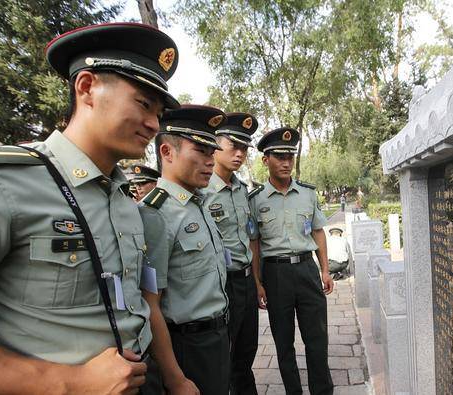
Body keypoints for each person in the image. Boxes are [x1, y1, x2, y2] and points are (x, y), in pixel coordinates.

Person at [0, 22, 179, 393]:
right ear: (86, 87)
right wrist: (69, 382)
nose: (154, 124)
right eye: (143, 103)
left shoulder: (123, 198)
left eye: (159, 112)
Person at [139, 104, 230, 395]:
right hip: (187, 346)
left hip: (216, 337)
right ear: (167, 152)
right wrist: (174, 378)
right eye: (201, 152)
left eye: (212, 153)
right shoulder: (156, 213)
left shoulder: (198, 203)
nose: (210, 162)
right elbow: (150, 304)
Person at [249, 127, 334, 395]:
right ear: (266, 160)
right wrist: (257, 282)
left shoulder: (308, 194)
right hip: (275, 276)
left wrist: (325, 270)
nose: (286, 162)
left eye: (290, 156)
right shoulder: (255, 200)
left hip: (307, 271)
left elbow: (318, 231)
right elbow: (255, 243)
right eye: (279, 157)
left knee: (317, 340)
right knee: (283, 343)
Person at [202, 112, 259, 394]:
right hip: (222, 283)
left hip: (246, 281)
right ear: (215, 144)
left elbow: (249, 239)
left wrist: (257, 283)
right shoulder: (202, 190)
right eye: (233, 145)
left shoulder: (241, 189)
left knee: (246, 352)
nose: (240, 153)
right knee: (224, 355)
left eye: (245, 148)